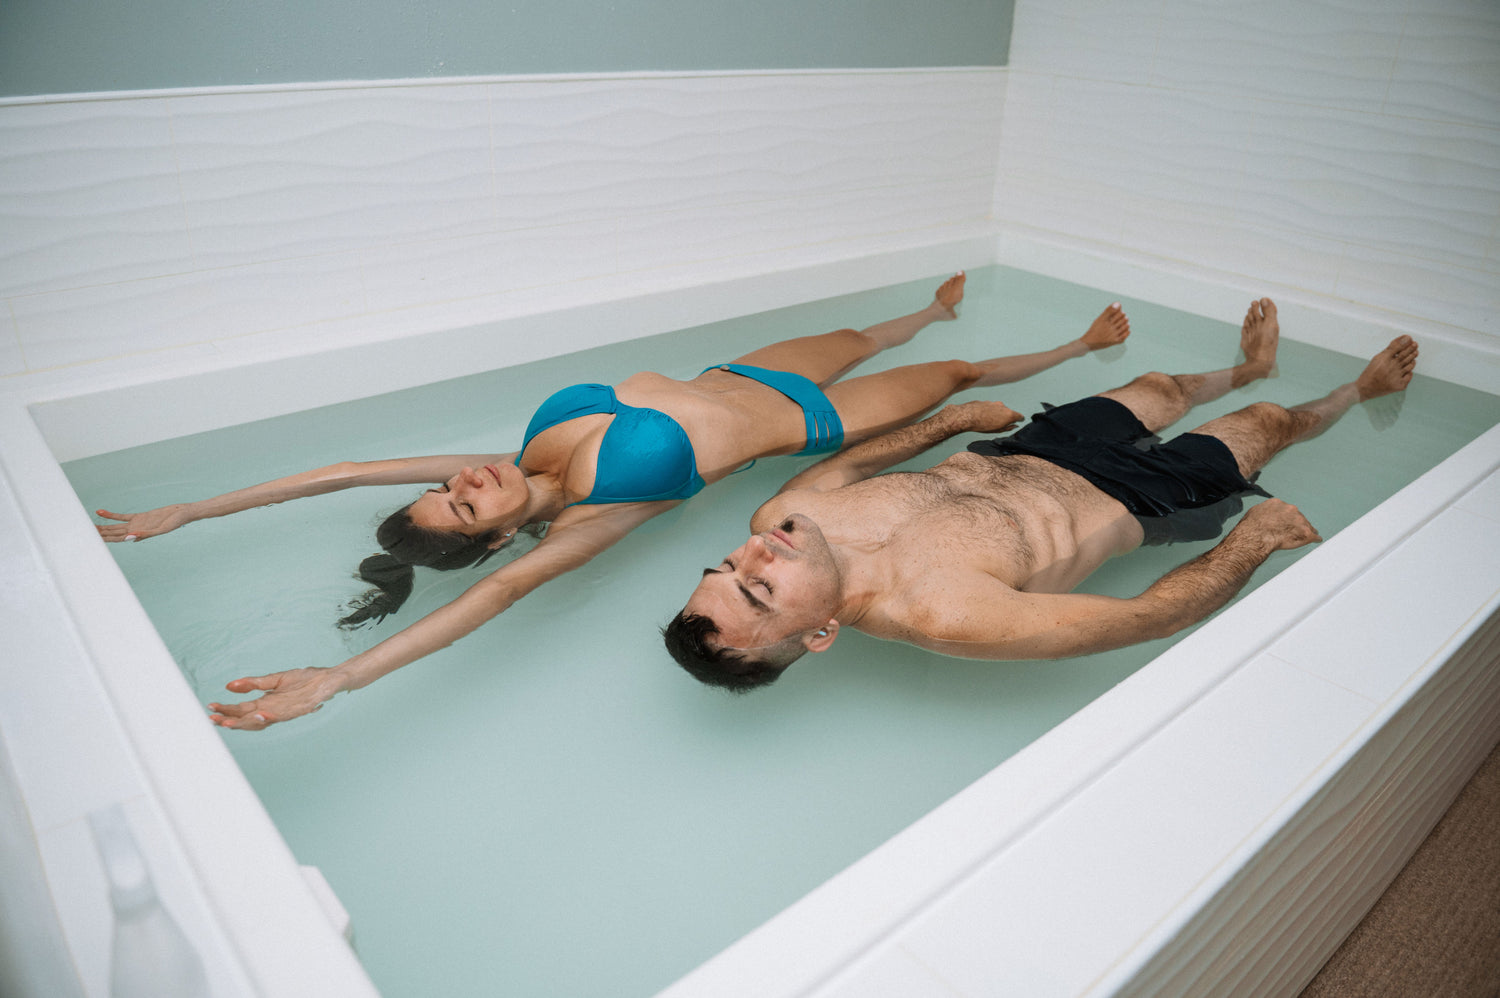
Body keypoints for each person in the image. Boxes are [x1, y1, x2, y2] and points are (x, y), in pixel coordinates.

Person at [94, 273, 1132, 729]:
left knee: (875, 331)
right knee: (950, 372)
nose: (460, 483)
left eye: (443, 487)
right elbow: (488, 603)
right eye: (464, 509)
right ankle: (1081, 346)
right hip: (809, 422)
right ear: (501, 534)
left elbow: (338, 470)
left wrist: (185, 512)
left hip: (745, 366)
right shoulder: (592, 514)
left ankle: (927, 301)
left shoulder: (515, 454)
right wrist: (343, 676)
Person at [665, 299, 1420, 690]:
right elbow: (1154, 618)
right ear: (822, 632)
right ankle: (1357, 389)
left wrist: (955, 419)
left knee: (1158, 386)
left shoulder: (784, 519)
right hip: (1144, 498)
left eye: (727, 565)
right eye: (761, 587)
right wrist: (1253, 540)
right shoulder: (951, 615)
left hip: (1023, 447)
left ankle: (1250, 365)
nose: (756, 551)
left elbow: (848, 468)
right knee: (1269, 424)